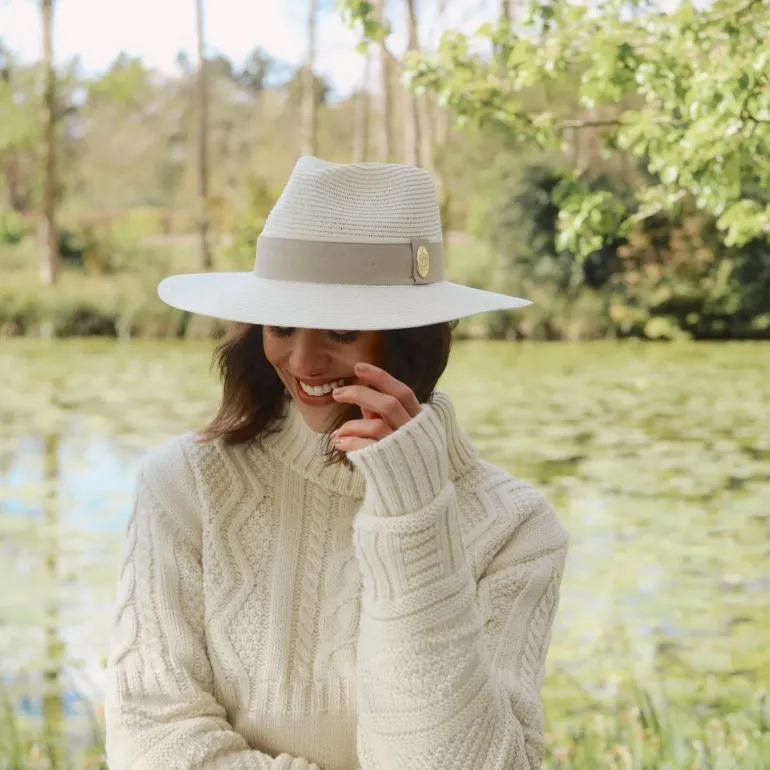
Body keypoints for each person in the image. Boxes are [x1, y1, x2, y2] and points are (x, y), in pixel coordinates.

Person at [104, 156, 569, 770]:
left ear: (414, 337)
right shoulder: (185, 485)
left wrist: (414, 516)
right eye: (281, 325)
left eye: (342, 333)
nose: (303, 361)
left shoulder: (516, 528)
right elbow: (152, 738)